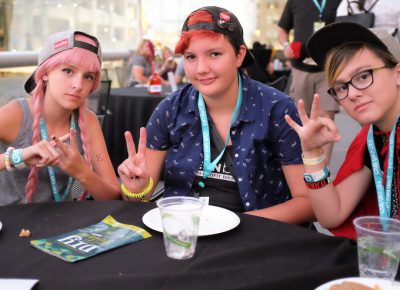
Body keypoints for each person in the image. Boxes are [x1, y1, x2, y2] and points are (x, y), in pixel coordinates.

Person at [118, 6, 313, 224]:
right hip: (185, 235)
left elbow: (307, 203)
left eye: (215, 54)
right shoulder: (170, 109)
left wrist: (237, 225)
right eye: (191, 57)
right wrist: (135, 189)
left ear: (239, 55)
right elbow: (139, 198)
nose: (201, 68)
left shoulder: (276, 109)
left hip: (257, 238)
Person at [285, 22, 400, 239]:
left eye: (363, 76)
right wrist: (312, 154)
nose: (353, 93)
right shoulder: (373, 137)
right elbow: (331, 214)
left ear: (398, 73)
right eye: (342, 87)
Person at [0, 31, 120, 205]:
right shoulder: (16, 113)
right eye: (68, 71)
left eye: (88, 76)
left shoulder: (88, 121)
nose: (78, 85)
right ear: (46, 72)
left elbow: (114, 197)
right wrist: (19, 156)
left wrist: (82, 173)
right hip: (10, 227)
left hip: (63, 226)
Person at [278, 0, 341, 164]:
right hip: (301, 67)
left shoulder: (337, 2)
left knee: (326, 116)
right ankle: (302, 164)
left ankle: (323, 168)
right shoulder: (294, 1)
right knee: (301, 117)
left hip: (327, 67)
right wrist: (285, 45)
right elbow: (282, 29)